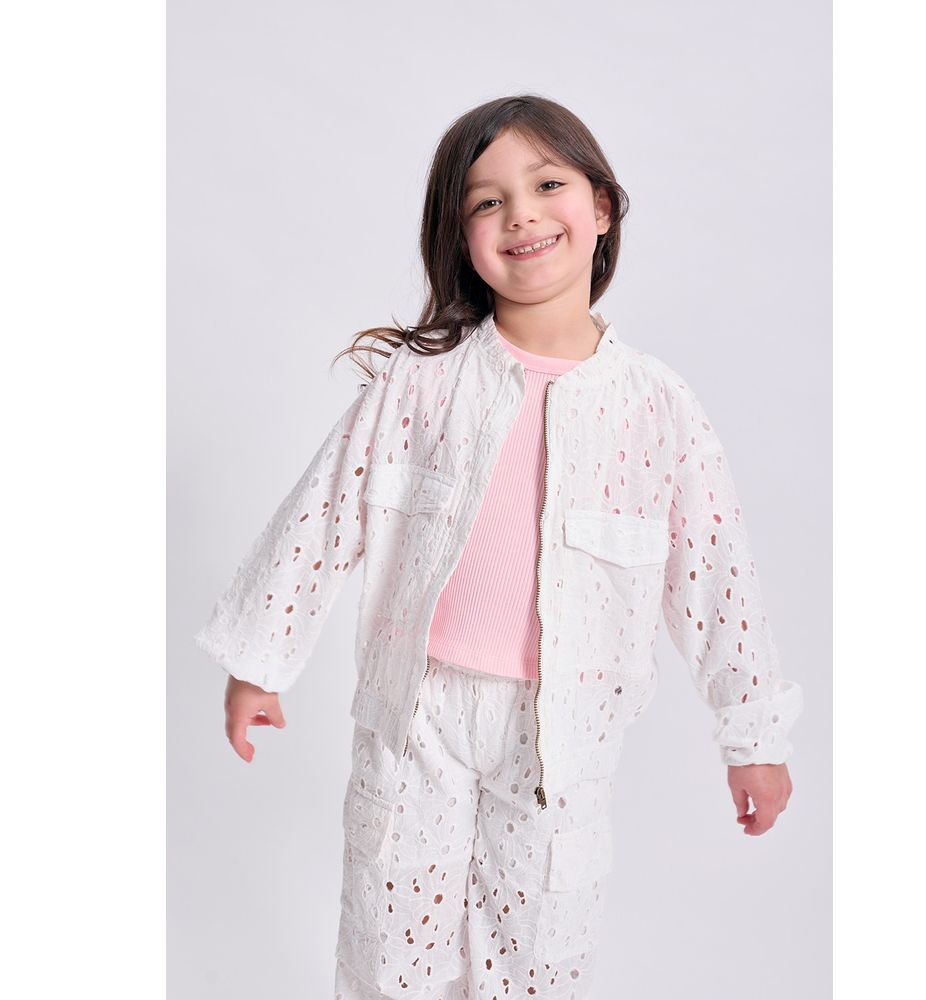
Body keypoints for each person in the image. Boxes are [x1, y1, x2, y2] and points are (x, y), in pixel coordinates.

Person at [194, 94, 805, 1000]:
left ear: (602, 207)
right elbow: (325, 509)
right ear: (461, 237)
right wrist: (258, 659)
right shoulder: (421, 384)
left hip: (565, 732)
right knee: (391, 941)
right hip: (418, 714)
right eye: (487, 201)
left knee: (539, 951)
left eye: (547, 184)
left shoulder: (658, 408)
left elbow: (719, 577)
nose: (520, 213)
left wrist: (752, 736)